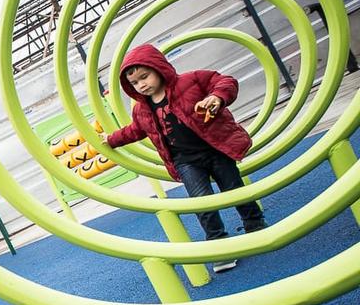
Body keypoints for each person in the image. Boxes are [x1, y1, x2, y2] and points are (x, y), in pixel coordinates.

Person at [102, 44, 265, 272]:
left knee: (233, 188)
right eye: (135, 83)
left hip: (214, 148)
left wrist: (217, 97)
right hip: (185, 161)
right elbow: (135, 130)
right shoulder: (141, 109)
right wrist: (111, 139)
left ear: (158, 68)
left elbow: (224, 81)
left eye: (145, 76)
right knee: (201, 202)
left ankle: (255, 225)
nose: (142, 85)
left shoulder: (191, 81)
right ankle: (218, 244)